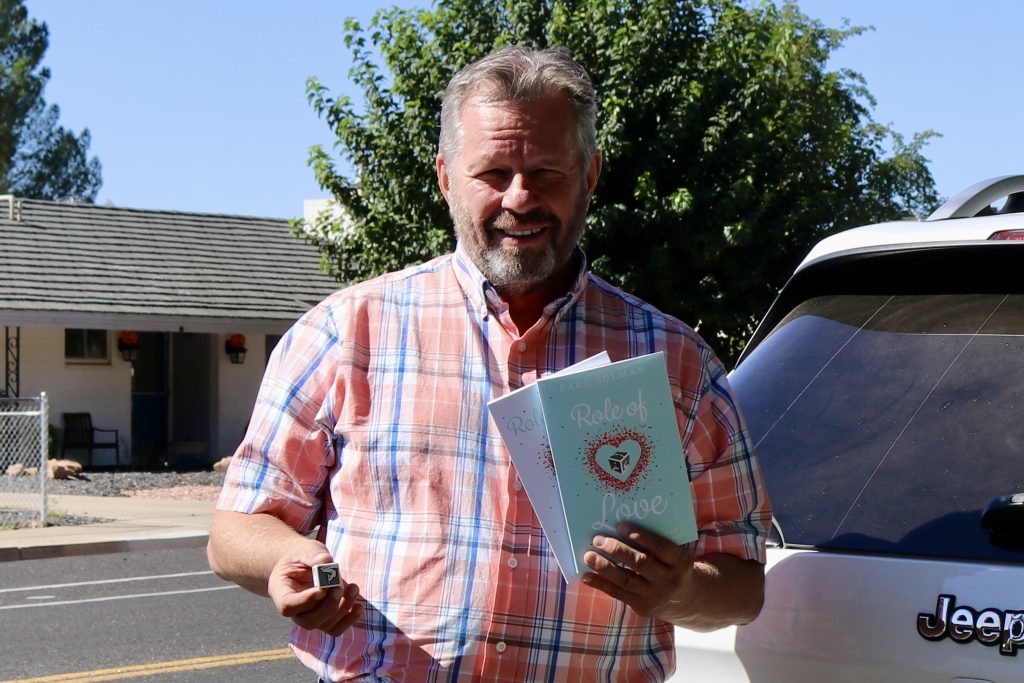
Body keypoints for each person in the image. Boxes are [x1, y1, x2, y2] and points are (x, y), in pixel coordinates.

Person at [208, 45, 772, 682]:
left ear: (591, 174)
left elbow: (743, 582)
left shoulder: (675, 362)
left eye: (548, 173)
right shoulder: (347, 331)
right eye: (494, 172)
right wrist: (287, 559)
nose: (520, 197)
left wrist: (681, 589)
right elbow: (237, 528)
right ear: (447, 178)